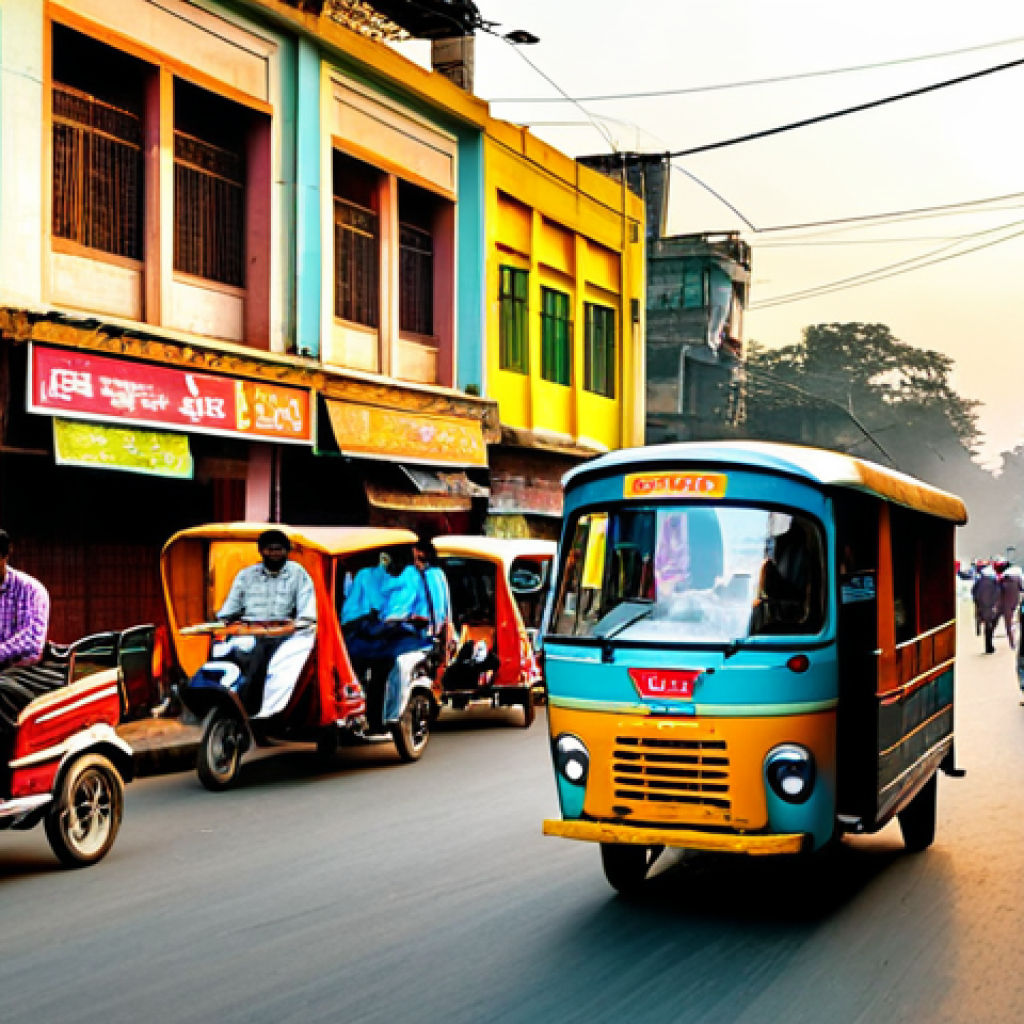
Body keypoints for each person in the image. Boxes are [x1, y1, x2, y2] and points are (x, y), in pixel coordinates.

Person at [217, 529, 316, 718]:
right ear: (261, 551)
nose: (274, 553)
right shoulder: (246, 575)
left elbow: (307, 614)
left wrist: (293, 627)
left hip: (285, 634)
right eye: (269, 549)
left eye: (278, 549)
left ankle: (263, 713)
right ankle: (233, 709)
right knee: (226, 657)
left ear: (287, 551)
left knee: (271, 666)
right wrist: (224, 624)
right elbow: (228, 611)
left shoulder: (298, 573)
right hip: (249, 633)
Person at [0, 529, 55, 762]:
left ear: (4, 556)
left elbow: (31, 640)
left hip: (27, 674)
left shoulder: (30, 590)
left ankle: (8, 765)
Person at [972, 563, 1001, 654]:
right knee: (991, 625)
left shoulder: (979, 581)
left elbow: (973, 592)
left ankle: (988, 645)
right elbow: (998, 593)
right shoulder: (994, 581)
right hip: (991, 605)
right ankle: (989, 646)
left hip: (982, 605)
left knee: (987, 624)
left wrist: (977, 601)